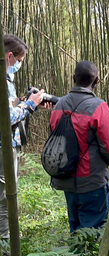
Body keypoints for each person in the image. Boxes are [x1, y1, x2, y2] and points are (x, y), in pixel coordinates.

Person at [49, 61, 109, 233]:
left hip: (65, 176)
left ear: (73, 78)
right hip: (91, 181)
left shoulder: (59, 105)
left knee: (76, 230)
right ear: (97, 81)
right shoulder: (98, 107)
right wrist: (108, 161)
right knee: (92, 232)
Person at [1, 34, 46, 242]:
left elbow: (8, 107)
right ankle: (5, 243)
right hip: (3, 148)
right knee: (4, 199)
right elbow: (6, 118)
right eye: (19, 61)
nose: (19, 65)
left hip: (8, 146)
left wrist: (26, 101)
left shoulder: (7, 80)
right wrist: (29, 104)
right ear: (10, 56)